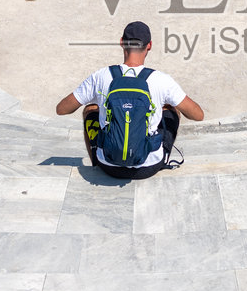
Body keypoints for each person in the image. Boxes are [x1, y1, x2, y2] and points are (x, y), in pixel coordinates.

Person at [56, 21, 204, 178]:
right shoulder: (161, 80)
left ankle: (95, 159)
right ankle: (161, 154)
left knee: (90, 109)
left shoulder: (101, 76)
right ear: (149, 46)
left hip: (108, 165)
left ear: (121, 42)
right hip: (149, 167)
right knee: (171, 109)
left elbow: (62, 109)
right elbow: (198, 115)